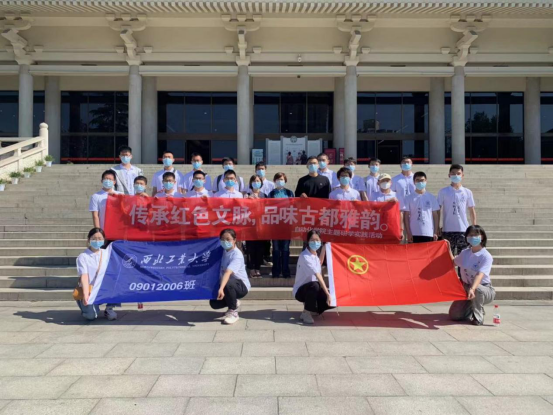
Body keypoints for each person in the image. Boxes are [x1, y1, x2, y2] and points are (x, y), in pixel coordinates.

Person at [448, 225, 495, 326]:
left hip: (484, 289)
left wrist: (472, 289)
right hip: (467, 287)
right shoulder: (465, 253)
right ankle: (472, 306)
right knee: (454, 315)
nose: (473, 237)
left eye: (475, 235)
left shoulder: (486, 256)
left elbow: (479, 275)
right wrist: (447, 248)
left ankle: (478, 317)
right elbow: (453, 262)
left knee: (477, 289)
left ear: (482, 236)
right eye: (470, 235)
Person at [210, 228, 250, 325]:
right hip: (226, 284)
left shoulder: (237, 255)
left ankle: (233, 312)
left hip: (240, 286)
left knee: (228, 283)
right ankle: (234, 302)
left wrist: (221, 288)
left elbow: (228, 273)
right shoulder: (222, 251)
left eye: (228, 239)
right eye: (223, 239)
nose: (225, 242)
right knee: (214, 303)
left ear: (234, 240)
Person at [76, 228, 118, 321]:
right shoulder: (83, 257)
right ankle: (86, 307)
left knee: (117, 282)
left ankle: (109, 308)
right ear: (88, 240)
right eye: (94, 238)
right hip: (90, 289)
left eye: (100, 238)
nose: (97, 241)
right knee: (91, 316)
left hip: (103, 288)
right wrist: (86, 294)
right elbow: (84, 276)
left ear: (104, 240)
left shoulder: (107, 253)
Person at [293, 230, 333, 324]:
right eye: (312, 240)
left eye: (317, 240)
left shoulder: (315, 256)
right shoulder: (305, 256)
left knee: (334, 298)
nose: (315, 242)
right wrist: (327, 294)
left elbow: (320, 262)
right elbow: (318, 274)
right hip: (301, 291)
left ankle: (313, 309)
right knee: (315, 285)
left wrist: (324, 247)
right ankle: (306, 312)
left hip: (312, 288)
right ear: (308, 241)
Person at [438, 164, 477, 256]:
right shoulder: (443, 191)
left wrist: (474, 228)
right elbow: (438, 210)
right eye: (453, 173)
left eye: (458, 173)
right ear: (449, 175)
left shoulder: (467, 192)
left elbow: (471, 210)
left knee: (463, 259)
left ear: (462, 175)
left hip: (463, 230)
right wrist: (437, 227)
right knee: (447, 258)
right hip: (447, 230)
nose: (456, 175)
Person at [402, 171, 440, 243]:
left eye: (422, 180)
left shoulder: (431, 197)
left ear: (426, 181)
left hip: (428, 233)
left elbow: (435, 216)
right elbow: (406, 216)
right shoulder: (408, 198)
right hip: (414, 233)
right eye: (417, 180)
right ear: (414, 182)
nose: (420, 182)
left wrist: (435, 231)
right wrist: (408, 233)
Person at [268, 172, 294, 278]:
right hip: (275, 225)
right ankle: (276, 271)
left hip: (286, 224)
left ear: (285, 180)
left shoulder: (289, 193)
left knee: (285, 249)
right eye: (278, 179)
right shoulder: (271, 193)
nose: (280, 181)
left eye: (282, 179)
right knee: (276, 249)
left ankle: (285, 271)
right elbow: (267, 207)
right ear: (275, 181)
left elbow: (293, 207)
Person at [245, 175, 266, 278]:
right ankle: (251, 269)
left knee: (260, 249)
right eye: (254, 181)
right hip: (249, 227)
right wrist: (248, 200)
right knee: (250, 249)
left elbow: (268, 209)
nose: (256, 182)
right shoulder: (246, 195)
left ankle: (258, 268)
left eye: (258, 181)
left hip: (261, 227)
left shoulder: (264, 195)